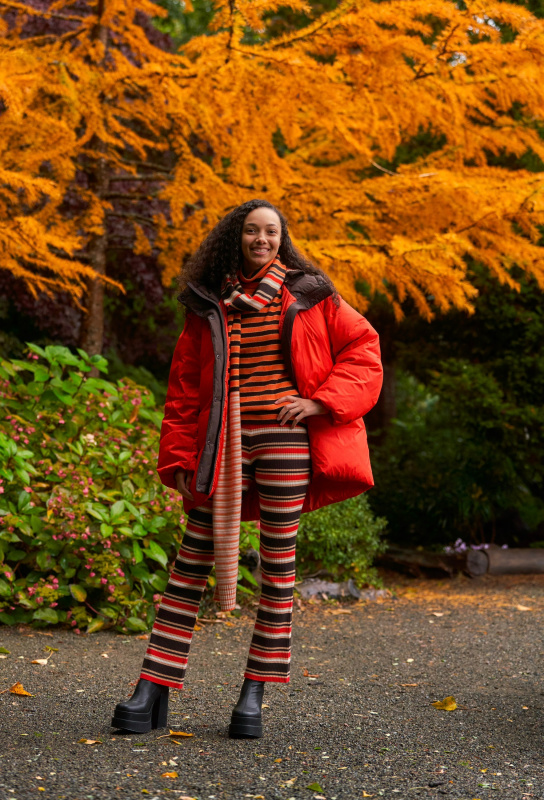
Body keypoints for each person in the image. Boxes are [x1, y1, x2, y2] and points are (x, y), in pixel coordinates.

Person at [111, 199, 383, 739]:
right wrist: (181, 459)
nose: (262, 239)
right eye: (253, 231)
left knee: (277, 568)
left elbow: (364, 347)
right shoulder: (209, 303)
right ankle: (153, 688)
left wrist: (321, 401)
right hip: (223, 447)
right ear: (236, 237)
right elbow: (185, 390)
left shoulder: (310, 293)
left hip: (286, 444)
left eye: (271, 232)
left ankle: (253, 693)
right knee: (190, 561)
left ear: (283, 239)